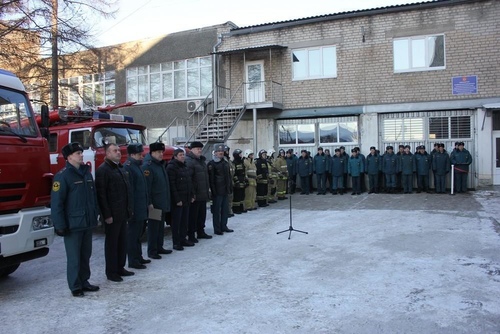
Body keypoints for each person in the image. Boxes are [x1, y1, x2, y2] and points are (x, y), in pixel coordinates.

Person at [51, 142, 99, 297]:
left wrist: (95, 213)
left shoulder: (86, 173)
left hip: (87, 222)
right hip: (73, 225)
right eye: (78, 153)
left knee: (86, 255)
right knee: (74, 258)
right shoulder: (62, 176)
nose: (81, 155)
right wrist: (59, 225)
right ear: (69, 156)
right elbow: (57, 203)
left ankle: (84, 281)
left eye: (81, 152)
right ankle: (75, 285)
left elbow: (93, 197)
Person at [95, 143, 134, 282]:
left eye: (119, 150)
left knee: (122, 242)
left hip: (123, 212)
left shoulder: (120, 168)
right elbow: (102, 195)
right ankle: (111, 272)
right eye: (115, 151)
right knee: (112, 244)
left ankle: (120, 267)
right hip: (112, 214)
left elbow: (126, 191)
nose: (118, 152)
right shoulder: (103, 170)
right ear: (107, 153)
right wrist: (107, 215)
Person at [142, 142, 172, 260]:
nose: (161, 154)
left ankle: (159, 247)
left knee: (160, 227)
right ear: (152, 152)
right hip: (154, 204)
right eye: (158, 152)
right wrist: (149, 202)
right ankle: (152, 250)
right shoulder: (148, 166)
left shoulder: (159, 164)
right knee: (154, 227)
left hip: (162, 201)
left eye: (162, 152)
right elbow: (147, 187)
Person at [123, 143, 150, 270]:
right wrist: (131, 209)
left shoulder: (137, 166)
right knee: (133, 235)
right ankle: (133, 260)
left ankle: (138, 256)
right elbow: (130, 191)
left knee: (139, 233)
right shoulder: (128, 168)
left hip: (141, 206)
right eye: (139, 154)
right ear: (132, 155)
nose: (142, 156)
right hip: (135, 208)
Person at [167, 148, 194, 251]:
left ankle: (183, 239)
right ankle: (176, 242)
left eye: (183, 154)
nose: (183, 156)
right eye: (180, 155)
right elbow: (172, 185)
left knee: (184, 221)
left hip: (186, 198)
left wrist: (191, 195)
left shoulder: (185, 166)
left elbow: (189, 182)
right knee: (176, 222)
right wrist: (177, 199)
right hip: (178, 200)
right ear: (175, 156)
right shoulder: (172, 167)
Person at [185, 141, 213, 241]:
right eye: (197, 149)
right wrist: (192, 193)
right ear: (191, 150)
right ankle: (191, 235)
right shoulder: (189, 161)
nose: (200, 150)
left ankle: (201, 231)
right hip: (195, 194)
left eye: (200, 149)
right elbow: (189, 179)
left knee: (202, 215)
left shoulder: (201, 161)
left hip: (203, 192)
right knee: (193, 216)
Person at [208, 143, 234, 235]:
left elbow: (228, 177)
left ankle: (224, 226)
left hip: (225, 190)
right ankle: (217, 228)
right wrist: (213, 191)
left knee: (225, 210)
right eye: (218, 151)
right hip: (217, 191)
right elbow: (211, 179)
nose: (220, 153)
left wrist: (230, 187)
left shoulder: (225, 163)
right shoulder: (212, 164)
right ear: (214, 153)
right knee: (216, 211)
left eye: (222, 151)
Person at [231, 149, 247, 214]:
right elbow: (234, 173)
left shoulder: (242, 162)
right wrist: (236, 181)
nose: (241, 155)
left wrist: (246, 180)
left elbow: (244, 172)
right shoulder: (234, 163)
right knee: (237, 196)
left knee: (242, 195)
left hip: (242, 180)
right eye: (240, 154)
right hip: (237, 182)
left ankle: (241, 207)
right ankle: (236, 209)